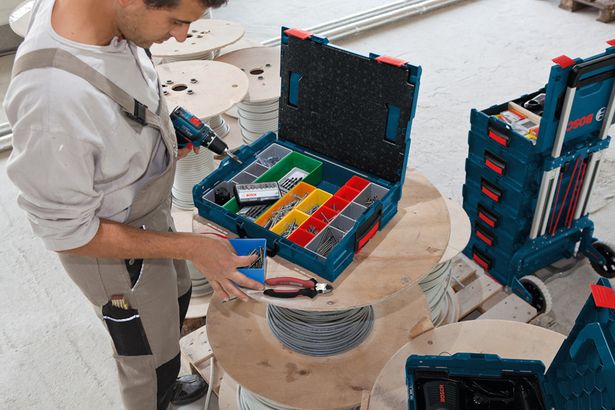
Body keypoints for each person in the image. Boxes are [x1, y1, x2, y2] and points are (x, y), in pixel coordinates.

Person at [4, 0, 263, 408]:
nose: (181, 37)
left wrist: (148, 139)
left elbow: (112, 105)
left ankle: (169, 378)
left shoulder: (101, 16)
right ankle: (159, 391)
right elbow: (69, 233)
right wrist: (194, 247)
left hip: (148, 214)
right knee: (147, 361)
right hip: (112, 251)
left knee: (176, 298)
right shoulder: (51, 101)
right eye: (176, 21)